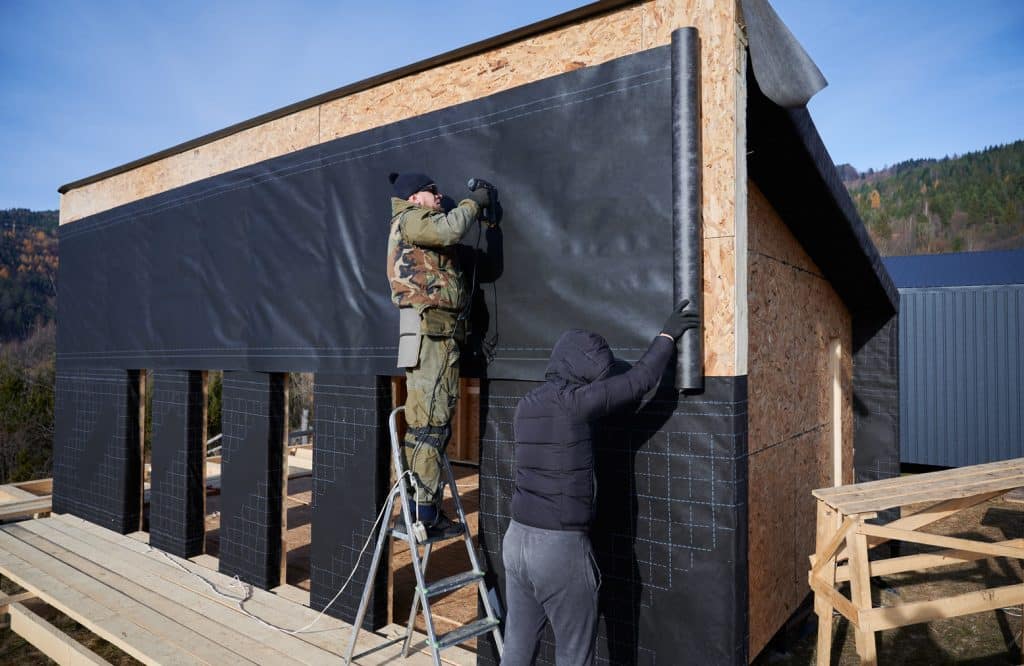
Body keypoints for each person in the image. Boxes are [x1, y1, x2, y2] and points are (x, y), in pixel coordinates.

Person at [501, 301, 699, 666]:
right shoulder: (575, 405)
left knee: (516, 647)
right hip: (558, 550)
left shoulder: (525, 405)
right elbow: (641, 381)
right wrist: (668, 334)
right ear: (584, 370)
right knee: (575, 656)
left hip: (516, 541)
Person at [386, 171, 491, 537]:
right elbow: (450, 229)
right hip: (432, 333)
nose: (440, 197)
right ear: (416, 197)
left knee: (424, 423)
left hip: (431, 332)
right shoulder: (413, 218)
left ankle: (419, 510)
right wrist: (472, 204)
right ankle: (424, 515)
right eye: (434, 193)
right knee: (430, 423)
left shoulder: (411, 223)